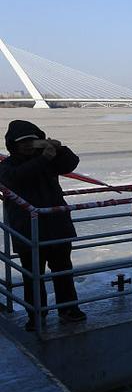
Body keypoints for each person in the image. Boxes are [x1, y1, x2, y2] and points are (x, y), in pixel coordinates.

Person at [0, 120, 86, 330]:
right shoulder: (7, 166)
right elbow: (17, 178)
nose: (28, 145)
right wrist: (44, 158)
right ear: (13, 145)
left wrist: (58, 148)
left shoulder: (48, 159)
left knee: (63, 270)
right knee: (33, 275)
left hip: (57, 225)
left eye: (32, 140)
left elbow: (70, 163)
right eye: (22, 142)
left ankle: (68, 309)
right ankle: (36, 315)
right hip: (27, 229)